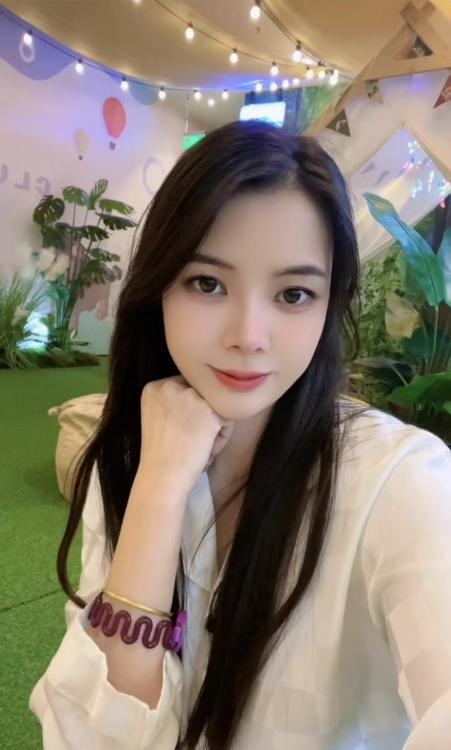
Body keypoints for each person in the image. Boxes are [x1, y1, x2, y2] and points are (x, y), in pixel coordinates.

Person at [30, 120, 451, 750]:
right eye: (208, 283)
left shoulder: (397, 481)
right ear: (159, 287)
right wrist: (158, 489)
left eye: (293, 294)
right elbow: (91, 737)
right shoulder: (130, 456)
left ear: (330, 304)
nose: (248, 336)